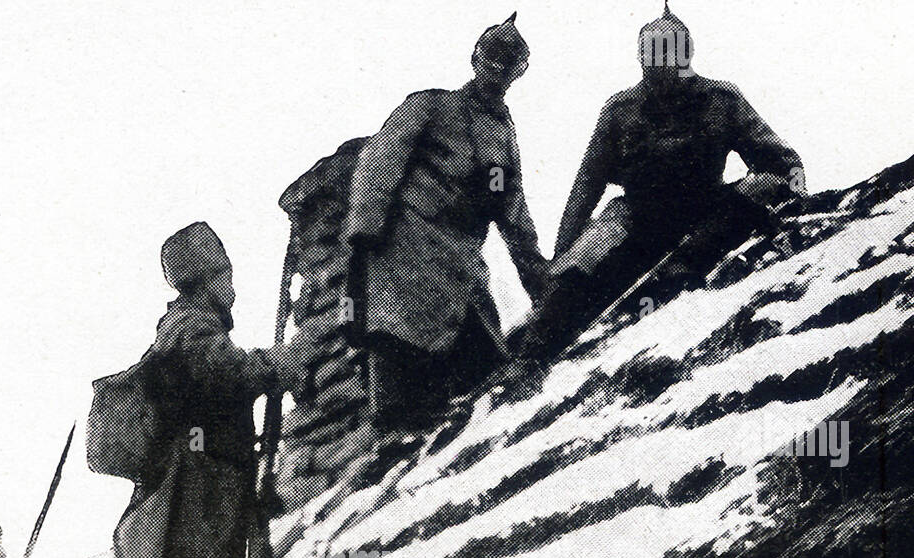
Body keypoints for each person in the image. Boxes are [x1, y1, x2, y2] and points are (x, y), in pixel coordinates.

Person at [78, 222, 306, 558]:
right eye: (225, 275)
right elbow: (219, 376)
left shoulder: (183, 326)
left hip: (199, 479)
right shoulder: (192, 326)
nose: (233, 287)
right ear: (208, 280)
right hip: (200, 482)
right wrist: (276, 363)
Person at [526, 4, 806, 356]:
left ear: (686, 54)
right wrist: (563, 263)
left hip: (705, 214)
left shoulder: (722, 100)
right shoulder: (620, 110)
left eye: (669, 55)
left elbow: (783, 163)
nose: (660, 66)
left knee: (759, 185)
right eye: (651, 56)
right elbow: (586, 186)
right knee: (588, 254)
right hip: (639, 218)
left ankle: (684, 266)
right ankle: (539, 340)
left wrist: (795, 199)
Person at [343, 14, 548, 435]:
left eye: (509, 63)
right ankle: (396, 430)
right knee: (400, 341)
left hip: (460, 255)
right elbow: (379, 162)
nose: (498, 69)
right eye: (492, 58)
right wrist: (365, 231)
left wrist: (537, 277)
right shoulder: (430, 106)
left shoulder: (504, 137)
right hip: (407, 244)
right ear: (476, 59)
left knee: (486, 361)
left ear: (518, 72)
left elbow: (509, 205)